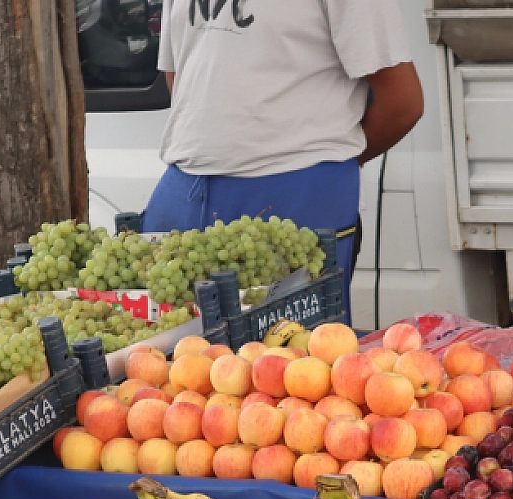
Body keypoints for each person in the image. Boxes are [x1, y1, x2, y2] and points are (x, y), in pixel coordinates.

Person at [144, 0, 425, 316]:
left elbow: (402, 102)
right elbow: (180, 75)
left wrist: (330, 160)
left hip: (296, 191)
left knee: (293, 346)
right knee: (168, 343)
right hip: (183, 187)